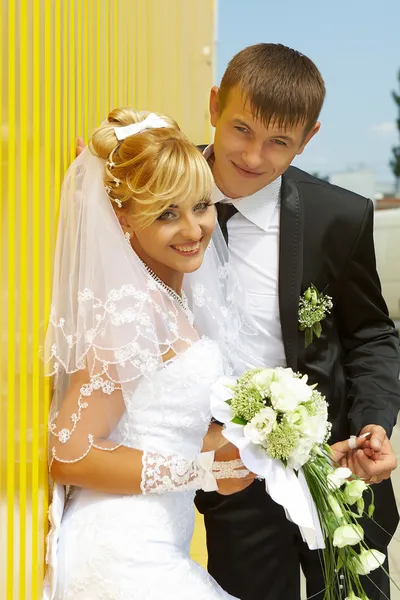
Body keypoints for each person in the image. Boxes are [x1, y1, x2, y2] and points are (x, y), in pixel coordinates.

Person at [192, 43, 400, 600]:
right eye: (242, 130)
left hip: (336, 463)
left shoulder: (339, 216)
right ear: (214, 105)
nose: (255, 157)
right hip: (232, 478)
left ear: (308, 139)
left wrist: (374, 422)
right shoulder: (160, 190)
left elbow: (370, 334)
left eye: (279, 141)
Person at [42, 108, 258, 600]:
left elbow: (164, 425)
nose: (193, 229)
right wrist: (198, 472)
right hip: (122, 554)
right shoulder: (132, 310)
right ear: (122, 221)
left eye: (200, 206)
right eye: (165, 213)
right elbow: (69, 453)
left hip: (155, 545)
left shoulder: (168, 299)